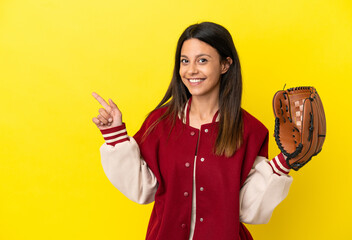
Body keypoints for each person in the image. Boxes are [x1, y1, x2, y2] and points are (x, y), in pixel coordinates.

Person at [92, 22, 293, 240]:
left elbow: (246, 208)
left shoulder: (251, 130)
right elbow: (142, 189)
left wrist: (285, 161)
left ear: (225, 65)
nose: (191, 70)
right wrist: (115, 135)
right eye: (185, 61)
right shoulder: (159, 123)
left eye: (203, 60)